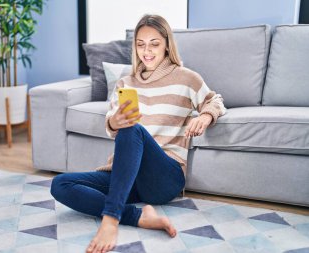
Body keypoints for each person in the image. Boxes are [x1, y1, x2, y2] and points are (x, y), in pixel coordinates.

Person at [51, 14, 226, 253]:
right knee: (60, 184)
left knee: (132, 128)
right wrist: (115, 121)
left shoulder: (187, 78)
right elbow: (112, 124)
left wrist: (206, 116)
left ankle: (111, 220)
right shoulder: (125, 84)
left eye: (154, 43)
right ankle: (138, 216)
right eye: (141, 44)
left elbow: (214, 100)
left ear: (166, 45)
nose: (147, 51)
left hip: (165, 178)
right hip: (128, 177)